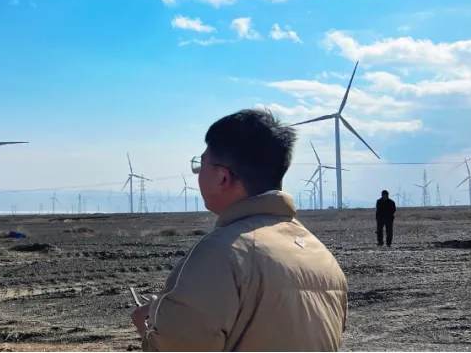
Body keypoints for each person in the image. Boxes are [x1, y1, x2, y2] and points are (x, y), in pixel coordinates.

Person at [132, 109, 348, 352]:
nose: (198, 174)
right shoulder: (322, 257)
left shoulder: (221, 252)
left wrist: (151, 331)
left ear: (223, 177)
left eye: (200, 165)